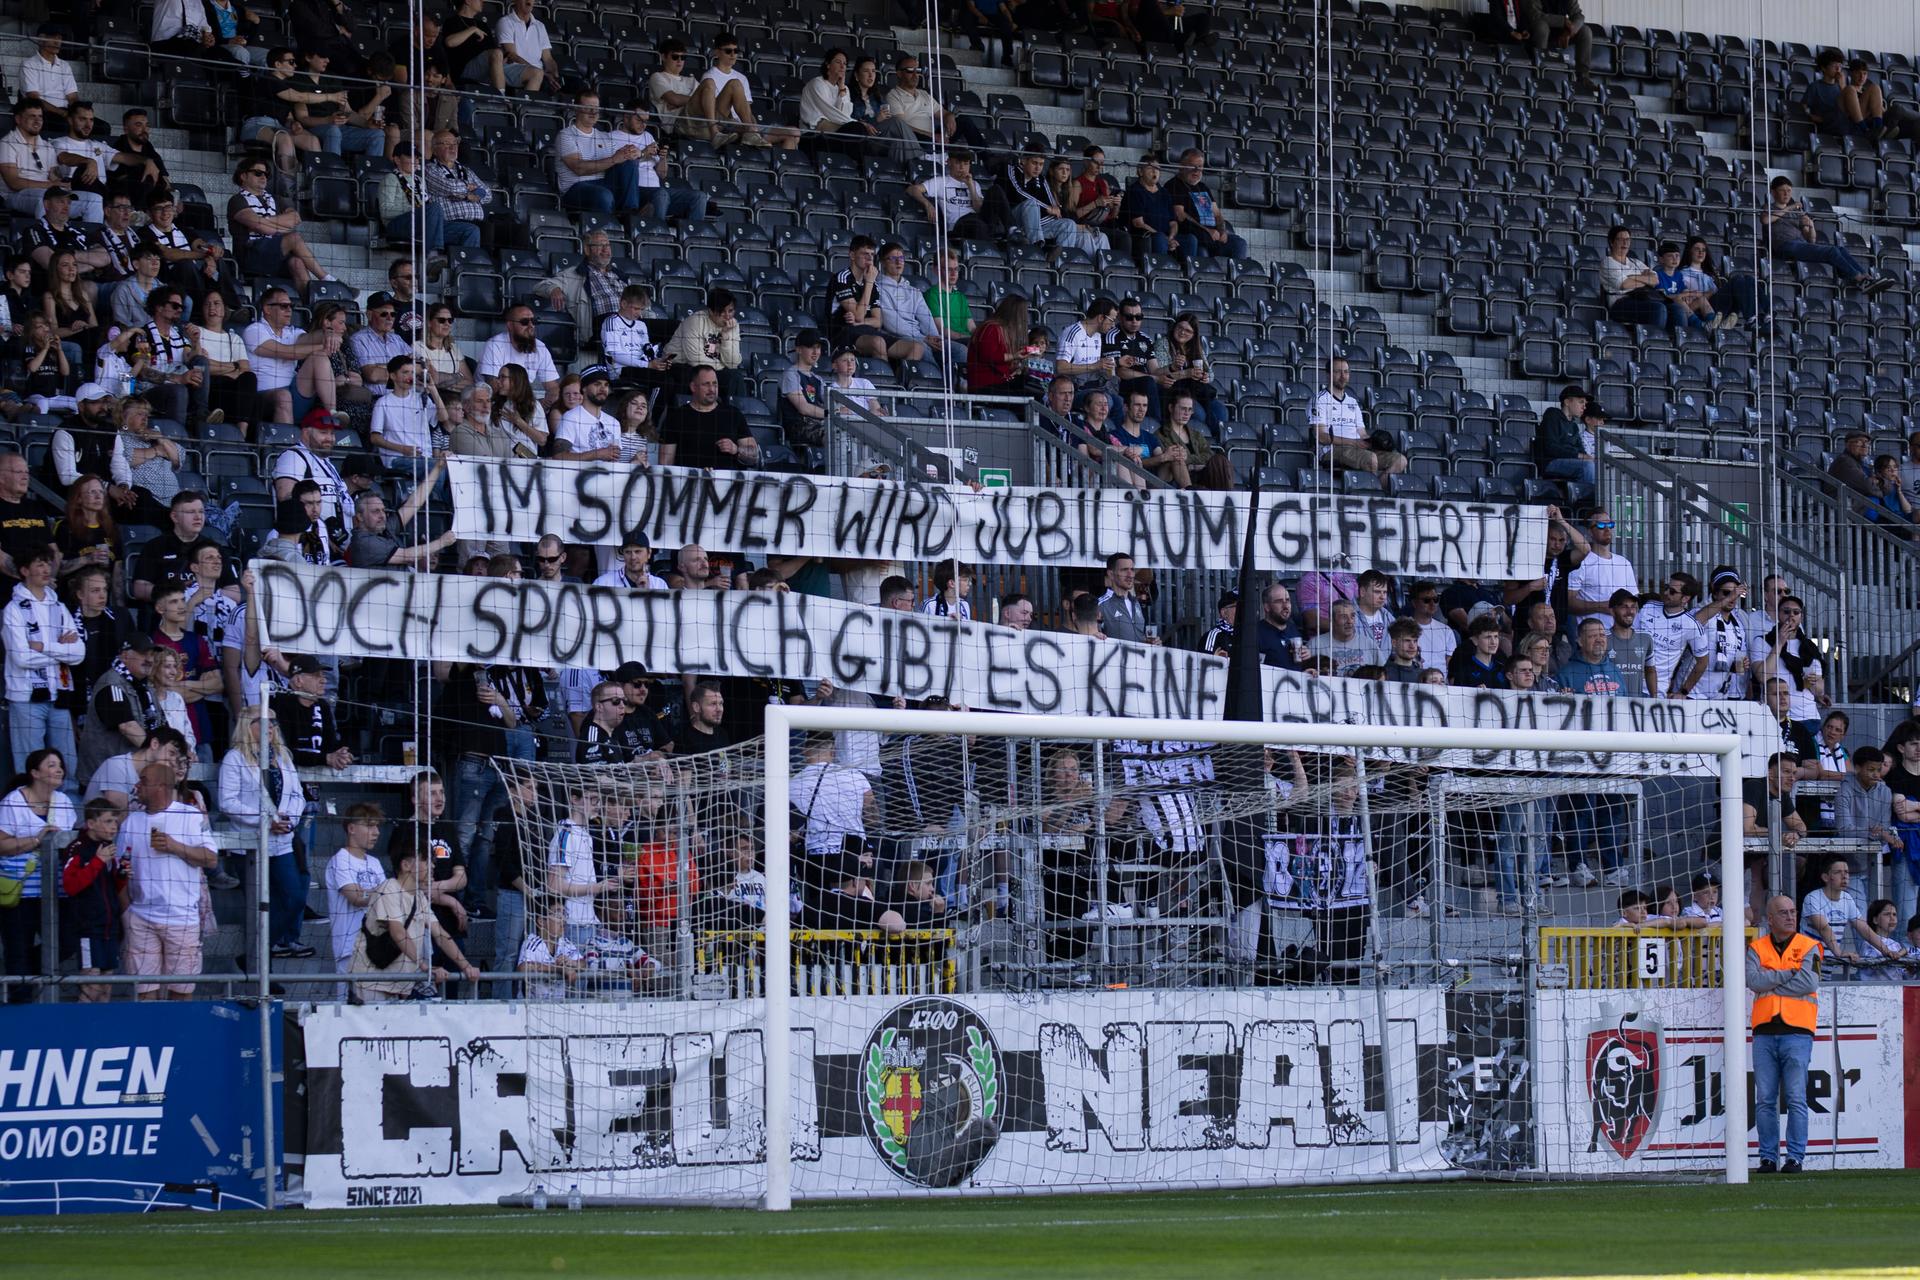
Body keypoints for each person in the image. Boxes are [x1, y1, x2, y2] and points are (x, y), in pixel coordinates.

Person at [121, 760, 215, 1001]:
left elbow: (211, 859)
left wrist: (174, 846)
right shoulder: (132, 821)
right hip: (141, 917)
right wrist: (126, 910)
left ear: (161, 786)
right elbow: (119, 867)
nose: (137, 786)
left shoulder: (190, 816)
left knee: (181, 993)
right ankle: (148, 1038)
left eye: (143, 781)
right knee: (144, 993)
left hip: (181, 918)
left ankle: (178, 1038)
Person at [352, 842, 479, 1000]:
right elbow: (398, 932)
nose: (432, 866)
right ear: (406, 865)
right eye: (426, 860)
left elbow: (440, 934)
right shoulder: (388, 889)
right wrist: (425, 967)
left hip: (400, 982)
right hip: (373, 981)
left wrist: (466, 967)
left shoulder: (418, 896)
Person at [1748, 894, 1819, 1174]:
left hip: (1798, 1031)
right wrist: (1789, 973)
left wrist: (1772, 981)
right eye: (1784, 913)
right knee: (1765, 1098)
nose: (1790, 916)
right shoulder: (1756, 947)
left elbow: (1808, 982)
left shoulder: (1810, 946)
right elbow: (1753, 981)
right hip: (1764, 1031)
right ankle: (1768, 1157)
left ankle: (1795, 1157)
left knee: (1795, 1097)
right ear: (1771, 918)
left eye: (1793, 911)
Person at [0, 747, 75, 1001]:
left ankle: (22, 978)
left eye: (60, 764)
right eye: (51, 765)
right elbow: (1, 845)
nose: (59, 769)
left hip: (57, 890)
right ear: (34, 772)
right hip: (20, 892)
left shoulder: (64, 802)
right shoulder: (13, 801)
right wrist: (36, 840)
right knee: (17, 949)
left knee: (67, 943)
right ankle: (18, 1006)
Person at [5, 543, 83, 775]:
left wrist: (43, 647)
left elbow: (78, 654)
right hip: (25, 697)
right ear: (24, 570)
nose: (46, 569)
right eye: (39, 564)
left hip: (59, 694)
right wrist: (60, 651)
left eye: (48, 563)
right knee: (30, 767)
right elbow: (21, 657)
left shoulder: (59, 606)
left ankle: (66, 810)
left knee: (66, 764)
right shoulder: (13, 609)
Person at [1765, 177, 1891, 293]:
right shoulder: (1768, 207)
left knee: (1840, 249)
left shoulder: (1796, 212)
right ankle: (1858, 279)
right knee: (1831, 252)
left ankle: (1866, 278)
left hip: (1799, 245)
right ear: (1773, 192)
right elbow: (1765, 220)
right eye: (1782, 190)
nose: (1786, 194)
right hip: (1785, 246)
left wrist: (1810, 226)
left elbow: (1811, 239)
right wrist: (1791, 207)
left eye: (1789, 190)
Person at [58, 796, 127, 1002]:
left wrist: (121, 874)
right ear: (90, 823)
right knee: (91, 987)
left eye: (115, 822)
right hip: (88, 929)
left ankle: (102, 1033)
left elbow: (110, 887)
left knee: (106, 988)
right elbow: (71, 886)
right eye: (108, 821)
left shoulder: (107, 849)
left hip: (109, 927)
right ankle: (80, 1031)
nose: (113, 827)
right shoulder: (78, 848)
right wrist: (98, 861)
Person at [227, 157, 329, 292]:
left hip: (274, 252)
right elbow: (260, 227)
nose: (263, 177)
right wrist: (277, 224)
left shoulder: (275, 199)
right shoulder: (237, 200)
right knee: (294, 238)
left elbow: (295, 219)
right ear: (243, 176)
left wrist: (265, 220)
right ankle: (327, 280)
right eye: (258, 173)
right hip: (251, 255)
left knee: (297, 263)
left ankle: (310, 306)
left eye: (266, 174)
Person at [1313, 356, 1405, 475]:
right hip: (1331, 450)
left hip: (1358, 449)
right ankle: (1372, 489)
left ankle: (1378, 488)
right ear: (1328, 375)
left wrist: (1375, 442)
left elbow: (1362, 433)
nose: (1343, 376)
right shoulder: (1319, 400)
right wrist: (1353, 442)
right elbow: (1321, 437)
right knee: (1370, 459)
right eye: (1338, 372)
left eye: (1346, 372)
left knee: (1400, 460)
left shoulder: (1352, 402)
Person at [658, 366, 759, 470]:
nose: (712, 389)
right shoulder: (675, 417)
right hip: (689, 483)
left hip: (728, 484)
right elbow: (665, 465)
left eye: (714, 384)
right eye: (706, 384)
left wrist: (736, 450)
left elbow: (754, 457)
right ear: (693, 387)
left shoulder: (733, 414)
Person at [1166, 150, 1247, 260]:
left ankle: (1238, 276)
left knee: (1239, 243)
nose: (1197, 171)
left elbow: (1217, 214)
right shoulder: (1173, 185)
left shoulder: (1203, 187)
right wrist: (1207, 230)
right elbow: (1180, 215)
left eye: (1200, 167)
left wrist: (1222, 231)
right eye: (1192, 166)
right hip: (1194, 234)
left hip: (1213, 235)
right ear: (1182, 166)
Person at [908, 149, 990, 241]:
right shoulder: (940, 181)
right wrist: (927, 204)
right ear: (949, 162)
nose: (962, 167)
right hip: (958, 225)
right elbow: (912, 189)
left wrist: (971, 186)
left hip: (978, 221)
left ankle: (1009, 228)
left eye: (966, 163)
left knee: (997, 190)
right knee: (978, 225)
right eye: (958, 163)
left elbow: (978, 209)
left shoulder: (974, 184)